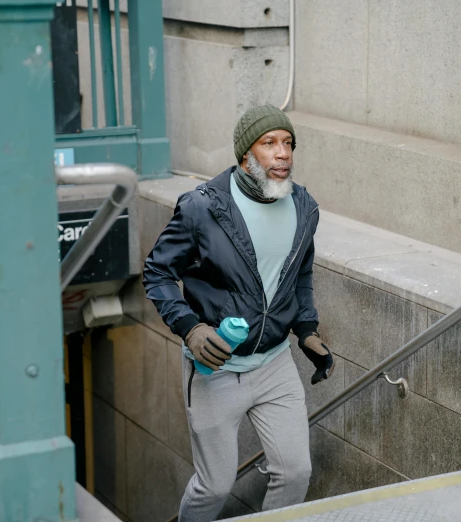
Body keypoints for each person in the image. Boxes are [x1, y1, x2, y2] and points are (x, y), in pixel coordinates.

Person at [143, 104, 335, 521]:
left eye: (288, 143)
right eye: (269, 144)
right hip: (216, 369)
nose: (282, 153)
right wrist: (191, 329)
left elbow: (299, 275)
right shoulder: (203, 208)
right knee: (214, 486)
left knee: (296, 471)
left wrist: (306, 329)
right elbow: (157, 272)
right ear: (245, 156)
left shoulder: (304, 207)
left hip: (275, 365)